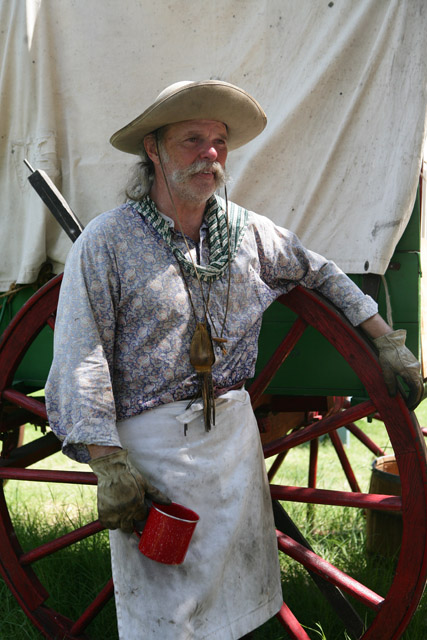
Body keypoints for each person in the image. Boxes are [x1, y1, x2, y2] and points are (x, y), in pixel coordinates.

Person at [45, 80, 424, 639]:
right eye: (192, 139)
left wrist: (383, 336)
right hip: (152, 451)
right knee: (166, 611)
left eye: (219, 141)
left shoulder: (247, 233)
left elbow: (319, 271)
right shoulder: (106, 242)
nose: (210, 155)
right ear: (153, 150)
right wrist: (109, 463)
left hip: (233, 442)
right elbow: (81, 354)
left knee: (237, 598)